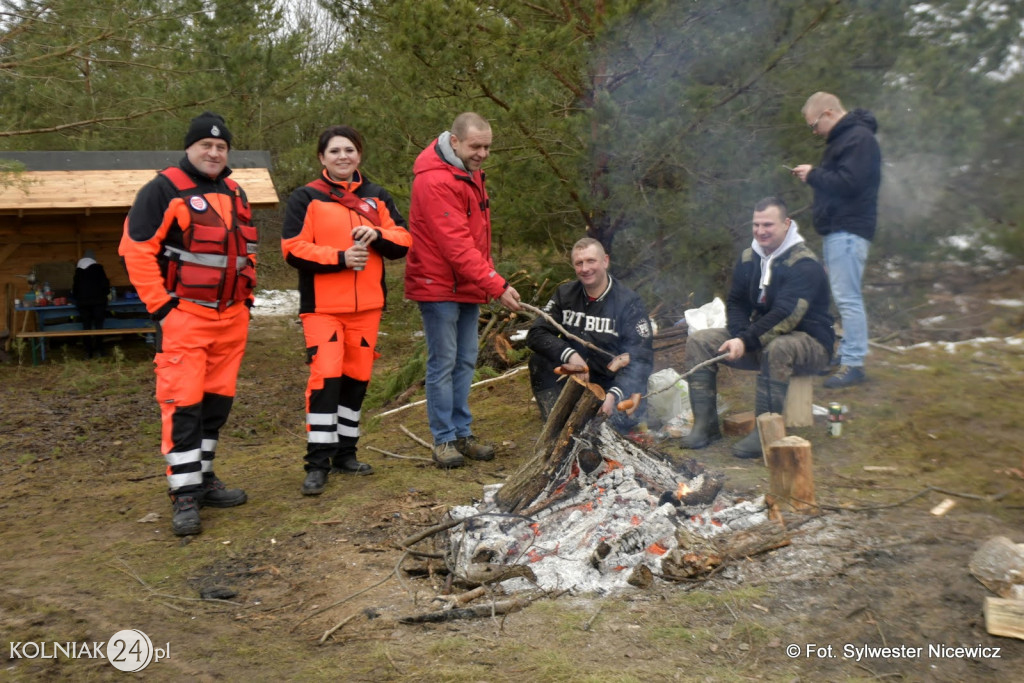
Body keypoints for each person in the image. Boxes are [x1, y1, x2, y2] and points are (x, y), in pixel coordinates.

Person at [119, 112, 255, 536]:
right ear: (190, 147)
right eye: (206, 146)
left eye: (221, 147)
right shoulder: (162, 189)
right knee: (183, 406)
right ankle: (183, 494)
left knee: (216, 407)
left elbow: (243, 252)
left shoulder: (235, 191)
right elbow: (136, 251)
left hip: (231, 318)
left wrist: (247, 302)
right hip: (185, 317)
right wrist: (161, 309)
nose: (214, 152)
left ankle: (205, 479)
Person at [282, 125, 412, 496]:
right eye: (335, 151)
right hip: (323, 308)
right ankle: (317, 462)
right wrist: (339, 258)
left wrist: (379, 235)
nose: (343, 157)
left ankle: (346, 454)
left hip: (368, 307)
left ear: (359, 155)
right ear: (322, 158)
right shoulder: (306, 197)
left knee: (356, 382)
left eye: (350, 150)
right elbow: (292, 248)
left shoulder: (377, 197)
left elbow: (403, 239)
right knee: (325, 380)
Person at [404, 112, 521, 469]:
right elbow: (455, 245)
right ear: (454, 141)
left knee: (466, 360)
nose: (483, 153)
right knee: (443, 362)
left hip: (466, 284)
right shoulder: (435, 181)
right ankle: (443, 439)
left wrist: (486, 278)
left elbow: (473, 242)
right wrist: (496, 284)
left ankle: (461, 432)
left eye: (487, 146)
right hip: (438, 285)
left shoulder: (468, 173)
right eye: (476, 146)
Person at [680, 197, 833, 459]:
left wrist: (745, 341)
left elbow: (786, 315)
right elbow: (736, 302)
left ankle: (765, 432)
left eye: (768, 225)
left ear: (786, 224)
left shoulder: (804, 265)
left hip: (811, 342)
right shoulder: (750, 257)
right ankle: (705, 426)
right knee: (700, 341)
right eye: (756, 224)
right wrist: (740, 335)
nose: (761, 231)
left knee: (780, 346)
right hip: (762, 337)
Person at [792, 92, 881, 389]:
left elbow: (849, 183)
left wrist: (813, 174)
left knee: (848, 297)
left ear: (829, 113)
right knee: (844, 296)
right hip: (838, 231)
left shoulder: (858, 138)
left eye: (814, 125)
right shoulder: (846, 139)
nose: (814, 132)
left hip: (849, 229)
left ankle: (853, 363)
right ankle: (846, 355)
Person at [526, 238, 654, 433]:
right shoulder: (565, 294)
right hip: (575, 382)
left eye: (591, 261)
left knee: (605, 432)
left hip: (613, 384)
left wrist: (614, 394)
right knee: (539, 361)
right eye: (579, 263)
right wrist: (569, 354)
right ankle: (555, 425)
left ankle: (612, 419)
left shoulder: (628, 302)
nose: (585, 268)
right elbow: (536, 333)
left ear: (605, 261)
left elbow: (641, 356)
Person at [72, 248, 110, 358]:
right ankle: (100, 350)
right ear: (94, 259)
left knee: (86, 327)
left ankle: (88, 351)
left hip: (83, 303)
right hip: (99, 302)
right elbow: (105, 286)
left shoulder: (78, 271)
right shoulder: (99, 269)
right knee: (99, 326)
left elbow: (75, 289)